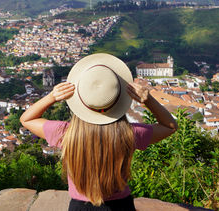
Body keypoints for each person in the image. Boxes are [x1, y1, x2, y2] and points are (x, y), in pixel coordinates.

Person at [20, 53, 178, 211]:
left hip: (79, 207)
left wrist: (52, 96)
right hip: (121, 206)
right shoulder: (129, 134)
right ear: (118, 98)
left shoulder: (67, 133)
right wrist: (148, 100)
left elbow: (26, 119)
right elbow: (170, 126)